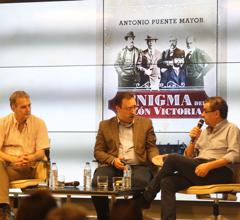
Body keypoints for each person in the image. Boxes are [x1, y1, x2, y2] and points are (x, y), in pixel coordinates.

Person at [135, 96, 240, 220]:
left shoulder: (231, 128)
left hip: (220, 171)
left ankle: (147, 197)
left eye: (205, 111)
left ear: (216, 113)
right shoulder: (204, 132)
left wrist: (208, 166)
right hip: (199, 169)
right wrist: (192, 141)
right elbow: (189, 156)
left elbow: (235, 155)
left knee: (172, 158)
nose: (202, 114)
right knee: (167, 182)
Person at [92, 92, 159, 220]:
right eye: (129, 108)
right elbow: (98, 151)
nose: (133, 111)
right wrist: (112, 160)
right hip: (113, 165)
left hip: (138, 165)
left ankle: (130, 216)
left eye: (135, 107)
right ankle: (105, 217)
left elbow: (151, 147)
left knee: (141, 182)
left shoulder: (146, 123)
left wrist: (155, 159)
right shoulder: (105, 125)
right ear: (118, 108)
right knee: (97, 183)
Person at [0, 91, 50, 220]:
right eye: (23, 107)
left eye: (29, 105)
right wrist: (13, 159)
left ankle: (3, 209)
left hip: (28, 167)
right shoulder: (3, 123)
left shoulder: (39, 123)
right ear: (13, 107)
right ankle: (4, 207)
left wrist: (30, 158)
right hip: (7, 165)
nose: (28, 110)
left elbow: (41, 153)